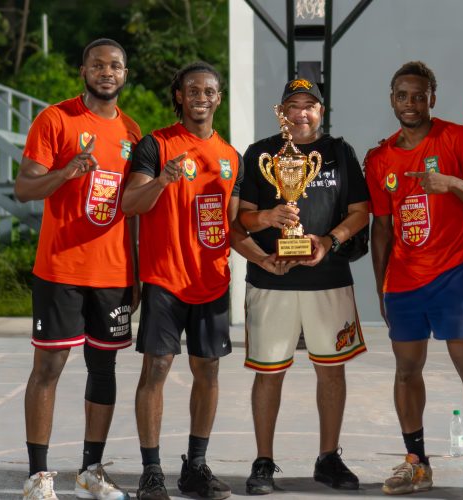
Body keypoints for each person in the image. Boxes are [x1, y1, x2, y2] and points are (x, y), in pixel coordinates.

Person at [121, 61, 260, 500]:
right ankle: (151, 471)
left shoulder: (231, 157)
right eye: (193, 90)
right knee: (157, 369)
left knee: (209, 372)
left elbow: (234, 227)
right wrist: (163, 179)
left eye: (210, 91)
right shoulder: (155, 145)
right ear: (179, 95)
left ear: (219, 98)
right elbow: (129, 203)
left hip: (212, 280)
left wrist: (267, 256)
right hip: (164, 278)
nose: (202, 97)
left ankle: (195, 466)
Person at [365, 61, 463, 499]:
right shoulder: (380, 157)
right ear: (392, 99)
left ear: (432, 98)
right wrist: (381, 286)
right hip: (404, 280)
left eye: (419, 95)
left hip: (454, 272)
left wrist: (451, 183)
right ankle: (416, 463)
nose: (411, 103)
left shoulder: (457, 138)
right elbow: (381, 228)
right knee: (406, 371)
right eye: (403, 96)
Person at [14, 39, 140, 500]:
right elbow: (26, 188)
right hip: (61, 267)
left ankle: (91, 471)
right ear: (82, 69)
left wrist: (137, 274)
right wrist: (65, 172)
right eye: (98, 65)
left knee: (103, 369)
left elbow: (131, 209)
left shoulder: (131, 129)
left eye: (116, 66)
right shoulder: (56, 119)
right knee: (48, 367)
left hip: (112, 273)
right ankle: (38, 475)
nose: (107, 72)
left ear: (125, 74)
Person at [238, 78, 369, 495]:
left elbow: (361, 211)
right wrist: (269, 218)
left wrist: (329, 241)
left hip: (327, 279)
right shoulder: (259, 153)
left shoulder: (339, 153)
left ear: (321, 111)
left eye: (309, 105)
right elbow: (241, 218)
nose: (301, 113)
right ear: (281, 112)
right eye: (292, 105)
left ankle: (328, 458)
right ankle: (263, 462)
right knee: (268, 375)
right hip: (270, 278)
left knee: (331, 372)